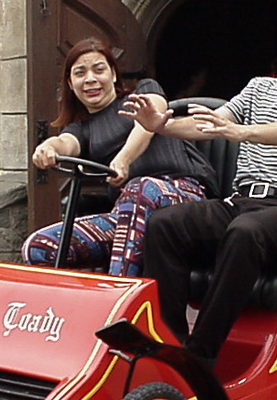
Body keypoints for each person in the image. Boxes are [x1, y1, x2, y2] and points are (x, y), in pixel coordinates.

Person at [121, 1, 277, 366]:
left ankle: (200, 353)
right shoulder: (259, 87)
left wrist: (243, 132)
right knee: (165, 224)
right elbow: (210, 125)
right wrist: (160, 126)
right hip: (238, 201)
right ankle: (168, 340)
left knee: (245, 232)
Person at [21, 37, 217, 277]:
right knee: (40, 246)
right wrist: (48, 148)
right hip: (128, 216)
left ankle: (118, 302)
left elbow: (148, 124)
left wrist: (124, 159)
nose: (90, 79)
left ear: (113, 74)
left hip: (184, 198)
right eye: (80, 73)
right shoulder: (83, 128)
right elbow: (64, 143)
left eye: (99, 69)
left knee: (140, 188)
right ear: (71, 84)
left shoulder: (144, 91)